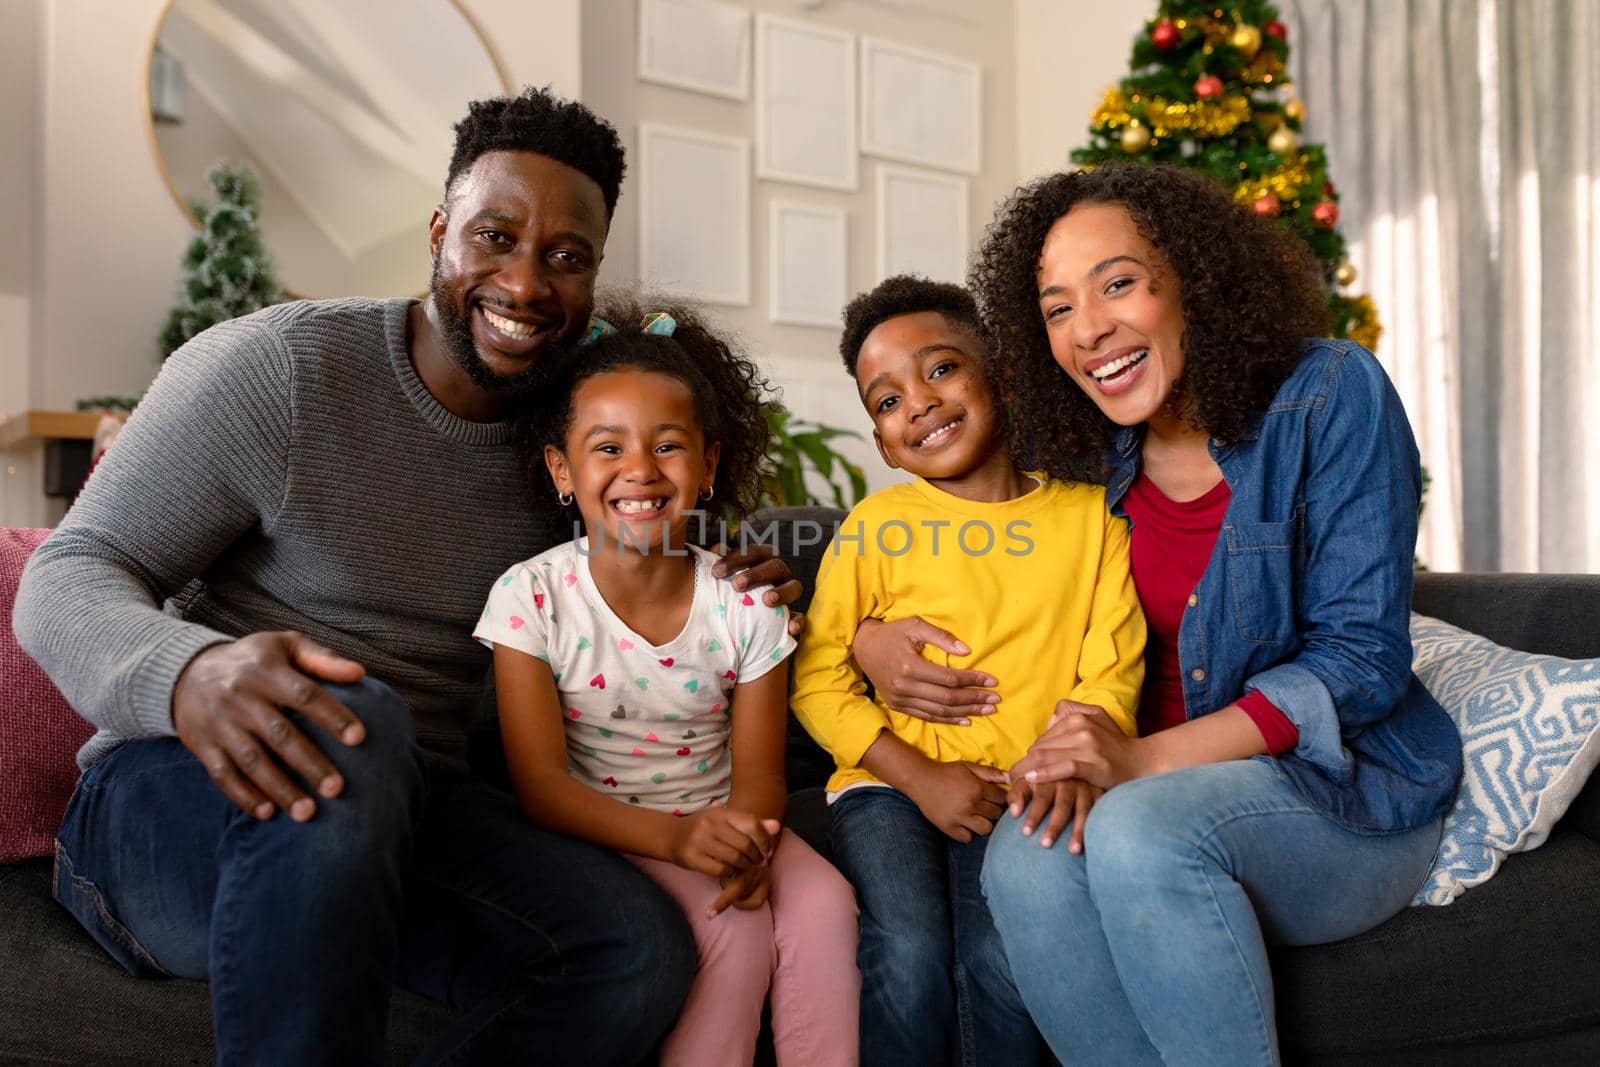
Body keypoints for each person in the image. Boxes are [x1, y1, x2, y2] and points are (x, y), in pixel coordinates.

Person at [12, 87, 804, 1065]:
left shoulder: (566, 437)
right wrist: (187, 673)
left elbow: (629, 584)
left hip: (413, 814)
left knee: (630, 949)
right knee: (361, 720)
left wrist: (722, 574)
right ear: (439, 231)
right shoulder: (282, 370)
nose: (524, 280)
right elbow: (73, 568)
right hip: (174, 805)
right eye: (494, 236)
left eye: (566, 256)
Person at [849, 164, 1464, 1065]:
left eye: (1119, 284)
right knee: (1024, 856)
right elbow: (951, 536)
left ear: (1193, 279)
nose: (1089, 329)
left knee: (1136, 829)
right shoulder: (1083, 446)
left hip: (1341, 794)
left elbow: (1362, 664)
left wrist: (1139, 760)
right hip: (1146, 783)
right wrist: (868, 638)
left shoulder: (1330, 393)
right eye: (1058, 308)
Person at [474, 302, 861, 1067]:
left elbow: (758, 769)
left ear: (709, 465)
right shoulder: (531, 598)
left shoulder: (746, 600)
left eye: (669, 446)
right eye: (608, 447)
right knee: (735, 930)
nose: (641, 471)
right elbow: (543, 785)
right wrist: (682, 841)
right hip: (611, 830)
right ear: (563, 470)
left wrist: (745, 838)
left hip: (725, 821)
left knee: (825, 904)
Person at [790, 275, 1146, 1066]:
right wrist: (918, 774)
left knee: (1005, 961)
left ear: (1003, 375)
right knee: (911, 949)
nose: (917, 403)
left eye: (941, 369)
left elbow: (1109, 671)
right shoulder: (876, 526)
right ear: (883, 443)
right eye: (886, 401)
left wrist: (1054, 765)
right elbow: (816, 678)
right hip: (888, 786)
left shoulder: (1094, 518)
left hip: (1027, 793)